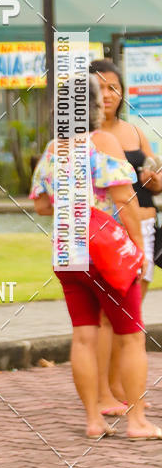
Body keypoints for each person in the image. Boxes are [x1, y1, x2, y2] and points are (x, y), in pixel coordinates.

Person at [30, 76, 161, 440]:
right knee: (132, 335)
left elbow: (41, 204)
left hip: (67, 251)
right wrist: (135, 247)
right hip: (104, 252)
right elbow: (124, 198)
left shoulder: (54, 148)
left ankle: (93, 420)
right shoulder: (103, 142)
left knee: (83, 337)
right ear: (93, 106)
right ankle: (136, 421)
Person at [89, 59, 162, 418]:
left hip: (146, 227)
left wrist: (155, 178)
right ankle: (103, 392)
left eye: (113, 87)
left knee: (131, 316)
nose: (107, 94)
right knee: (107, 316)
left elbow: (154, 178)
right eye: (99, 87)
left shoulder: (134, 132)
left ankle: (122, 387)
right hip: (112, 235)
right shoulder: (87, 138)